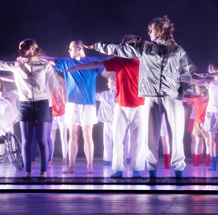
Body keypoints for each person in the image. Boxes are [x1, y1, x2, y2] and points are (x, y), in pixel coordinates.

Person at [86, 16, 194, 178]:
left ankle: (178, 170)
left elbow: (186, 73)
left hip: (172, 96)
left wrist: (193, 86)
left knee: (176, 134)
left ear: (161, 31)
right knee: (151, 136)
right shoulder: (145, 48)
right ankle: (152, 171)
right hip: (151, 96)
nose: (148, 32)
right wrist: (97, 46)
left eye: (151, 30)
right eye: (148, 30)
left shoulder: (177, 50)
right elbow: (119, 49)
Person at [0, 39, 62, 178]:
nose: (19, 50)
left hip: (42, 105)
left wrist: (57, 99)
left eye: (22, 47)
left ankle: (44, 172)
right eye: (19, 48)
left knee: (42, 139)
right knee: (26, 140)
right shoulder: (17, 66)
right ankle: (27, 172)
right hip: (25, 105)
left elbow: (54, 84)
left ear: (32, 48)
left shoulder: (44, 66)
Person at [67, 34, 146, 178]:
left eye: (129, 45)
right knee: (118, 138)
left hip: (140, 105)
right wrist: (78, 67)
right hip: (121, 105)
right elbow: (96, 64)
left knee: (138, 140)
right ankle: (118, 169)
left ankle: (137, 169)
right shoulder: (118, 60)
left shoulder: (144, 61)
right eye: (124, 46)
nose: (126, 48)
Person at [44, 40, 105, 174]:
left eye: (71, 48)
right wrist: (33, 56)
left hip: (88, 104)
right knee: (73, 135)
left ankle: (90, 166)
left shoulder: (92, 61)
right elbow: (49, 59)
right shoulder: (67, 62)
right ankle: (71, 166)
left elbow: (108, 61)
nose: (69, 50)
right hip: (71, 104)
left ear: (79, 48)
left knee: (87, 135)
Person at [184, 62, 218, 171]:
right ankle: (214, 165)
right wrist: (180, 78)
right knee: (212, 140)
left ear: (215, 70)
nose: (207, 71)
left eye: (209, 69)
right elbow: (194, 81)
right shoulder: (208, 83)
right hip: (211, 113)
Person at [184, 85, 210, 168]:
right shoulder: (194, 98)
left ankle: (208, 161)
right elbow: (184, 99)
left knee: (208, 143)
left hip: (207, 122)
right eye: (195, 89)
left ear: (202, 89)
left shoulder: (209, 98)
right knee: (197, 142)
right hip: (197, 122)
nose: (195, 90)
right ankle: (196, 161)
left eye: (197, 89)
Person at [95, 75, 117, 167]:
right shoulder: (104, 94)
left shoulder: (120, 94)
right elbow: (93, 95)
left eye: (114, 82)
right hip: (107, 120)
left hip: (118, 120)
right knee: (107, 139)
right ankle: (108, 158)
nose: (113, 84)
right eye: (111, 82)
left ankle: (123, 157)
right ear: (107, 84)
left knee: (120, 139)